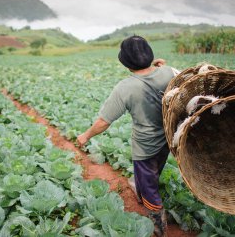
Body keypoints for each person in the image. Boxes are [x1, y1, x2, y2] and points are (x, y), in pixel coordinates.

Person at [77, 35, 179, 237]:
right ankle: (143, 190)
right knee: (153, 172)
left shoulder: (125, 88)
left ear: (125, 62)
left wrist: (85, 136)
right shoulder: (168, 73)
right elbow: (181, 78)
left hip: (145, 147)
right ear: (150, 56)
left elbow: (104, 122)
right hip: (167, 140)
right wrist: (160, 68)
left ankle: (158, 224)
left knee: (149, 184)